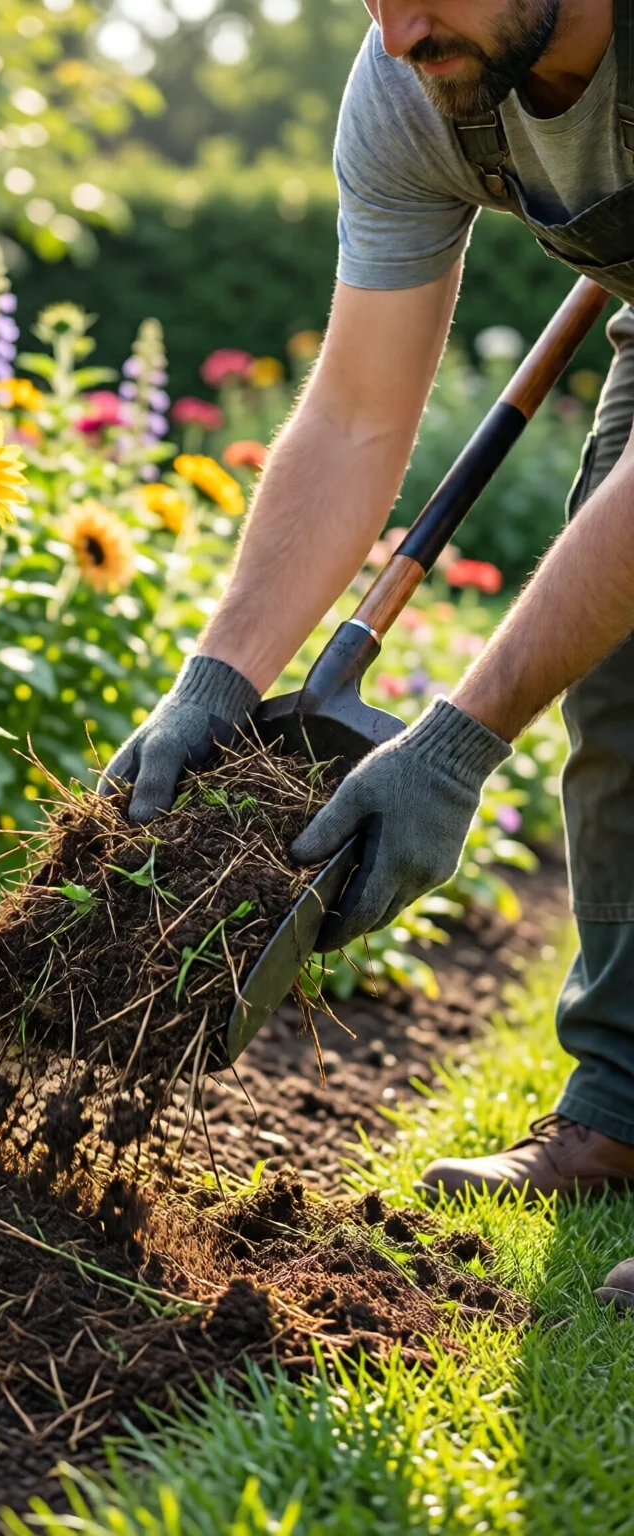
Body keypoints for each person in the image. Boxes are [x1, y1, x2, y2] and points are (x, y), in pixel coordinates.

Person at [101, 0, 634, 1213]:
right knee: (622, 679)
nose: (395, 34)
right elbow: (349, 414)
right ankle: (621, 1112)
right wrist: (217, 677)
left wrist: (458, 741)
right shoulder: (407, 85)